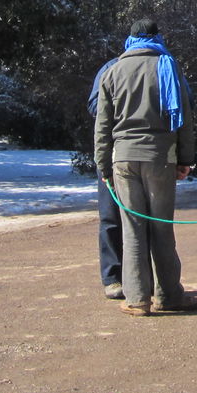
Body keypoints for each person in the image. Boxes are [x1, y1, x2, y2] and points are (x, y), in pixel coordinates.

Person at [93, 18, 197, 316]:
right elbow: (185, 118)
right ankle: (168, 296)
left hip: (123, 159)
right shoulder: (168, 66)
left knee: (133, 229)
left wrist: (103, 166)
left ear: (130, 39)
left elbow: (102, 126)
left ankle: (137, 298)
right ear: (157, 37)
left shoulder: (112, 71)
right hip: (160, 158)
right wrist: (185, 158)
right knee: (161, 229)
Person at [87, 54, 124, 299]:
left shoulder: (164, 65)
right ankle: (112, 278)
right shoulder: (110, 68)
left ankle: (145, 279)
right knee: (110, 217)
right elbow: (93, 106)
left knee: (147, 220)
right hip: (112, 154)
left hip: (148, 155)